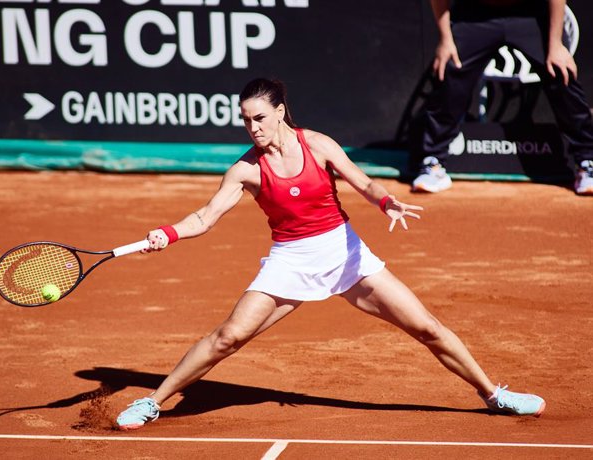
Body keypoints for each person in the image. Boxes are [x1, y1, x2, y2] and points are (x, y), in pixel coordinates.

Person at [116, 78, 545, 430]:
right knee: (228, 337)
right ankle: (154, 401)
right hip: (290, 260)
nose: (253, 127)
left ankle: (494, 395)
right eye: (246, 120)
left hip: (345, 254)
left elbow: (364, 183)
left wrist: (386, 203)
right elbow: (205, 217)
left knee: (427, 327)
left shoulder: (318, 145)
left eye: (260, 117)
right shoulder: (245, 170)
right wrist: (167, 234)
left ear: (281, 111)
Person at [412, 0, 593, 195]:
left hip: (531, 14)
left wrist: (556, 44)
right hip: (475, 14)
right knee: (449, 70)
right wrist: (445, 39)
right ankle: (433, 163)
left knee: (560, 71)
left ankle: (587, 160)